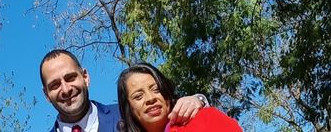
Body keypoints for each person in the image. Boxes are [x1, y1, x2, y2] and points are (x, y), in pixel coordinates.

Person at [40, 49, 209, 132]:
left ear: (85, 77)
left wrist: (197, 100)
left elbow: (168, 117)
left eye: (70, 78)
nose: (66, 89)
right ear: (46, 95)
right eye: (55, 85)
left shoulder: (130, 115)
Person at [117, 63, 242, 132]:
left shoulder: (205, 119)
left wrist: (199, 99)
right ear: (129, 108)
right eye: (138, 96)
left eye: (156, 90)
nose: (150, 98)